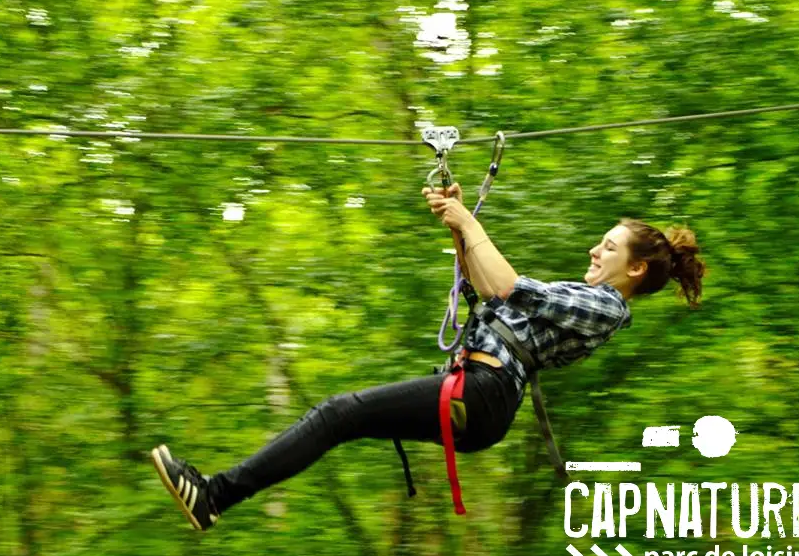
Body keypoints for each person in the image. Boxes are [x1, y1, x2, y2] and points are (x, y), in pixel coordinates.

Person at [151, 182, 706, 530]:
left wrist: (469, 223)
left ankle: (215, 495)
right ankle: (215, 496)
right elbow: (492, 288)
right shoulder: (590, 298)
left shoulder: (606, 306)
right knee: (339, 418)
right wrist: (460, 225)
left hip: (483, 395)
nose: (594, 248)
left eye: (608, 246)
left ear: (634, 270)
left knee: (337, 413)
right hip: (478, 393)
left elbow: (512, 287)